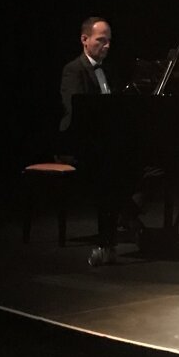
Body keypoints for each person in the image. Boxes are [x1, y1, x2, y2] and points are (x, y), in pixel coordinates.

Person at [59, 16, 139, 267]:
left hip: (105, 143)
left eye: (109, 41)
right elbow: (75, 110)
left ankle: (124, 221)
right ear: (85, 40)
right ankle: (111, 236)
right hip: (78, 143)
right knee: (112, 170)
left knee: (133, 163)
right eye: (100, 40)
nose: (106, 46)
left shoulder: (109, 71)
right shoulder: (74, 69)